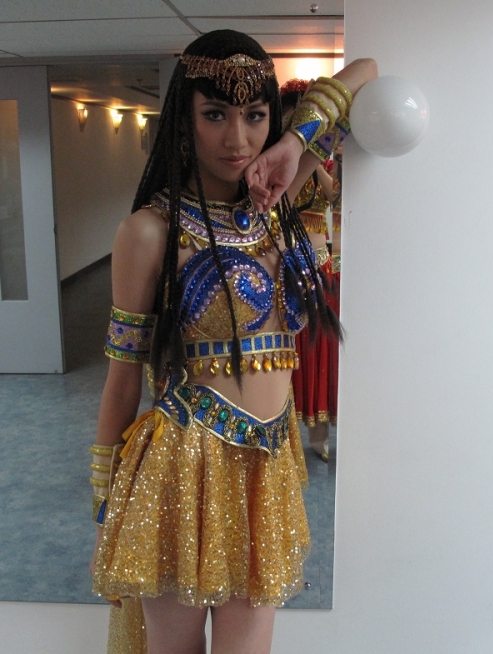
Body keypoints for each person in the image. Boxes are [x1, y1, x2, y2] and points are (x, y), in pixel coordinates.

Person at [89, 29, 377, 654]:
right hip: (180, 470)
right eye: (215, 114)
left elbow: (365, 72)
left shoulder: (279, 201)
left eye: (255, 115)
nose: (238, 139)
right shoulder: (149, 231)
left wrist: (294, 144)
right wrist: (106, 496)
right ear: (184, 120)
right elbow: (122, 378)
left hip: (267, 469)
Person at [280, 79, 345, 462]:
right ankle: (284, 434)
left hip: (321, 266)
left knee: (320, 351)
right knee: (290, 356)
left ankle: (319, 435)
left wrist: (316, 156)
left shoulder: (324, 163)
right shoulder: (276, 164)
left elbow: (336, 197)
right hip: (284, 266)